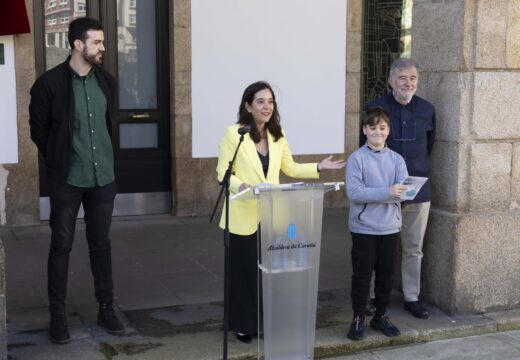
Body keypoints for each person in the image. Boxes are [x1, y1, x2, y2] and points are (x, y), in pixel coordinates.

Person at [216, 81, 345, 344]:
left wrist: (318, 167)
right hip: (242, 215)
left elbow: (291, 168)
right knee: (243, 274)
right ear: (248, 106)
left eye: (271, 101)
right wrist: (242, 185)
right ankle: (243, 324)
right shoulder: (234, 134)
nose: (267, 106)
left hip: (272, 214)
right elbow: (222, 173)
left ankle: (267, 322)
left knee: (270, 272)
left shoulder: (278, 135)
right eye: (261, 101)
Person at [29, 17, 124, 344]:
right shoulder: (49, 84)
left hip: (103, 179)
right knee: (62, 245)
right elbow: (38, 131)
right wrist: (57, 161)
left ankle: (106, 308)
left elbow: (110, 123)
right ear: (77, 44)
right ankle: (57, 316)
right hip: (68, 180)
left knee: (102, 244)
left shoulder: (107, 81)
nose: (103, 47)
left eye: (102, 41)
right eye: (97, 42)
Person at [364, 58, 436, 319]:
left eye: (413, 78)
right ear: (392, 80)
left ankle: (411, 297)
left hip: (418, 190)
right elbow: (366, 146)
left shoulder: (427, 109)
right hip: (384, 192)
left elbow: (429, 146)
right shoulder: (376, 107)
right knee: (378, 247)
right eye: (403, 78)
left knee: (413, 247)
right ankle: (373, 296)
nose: (408, 83)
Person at [346, 107, 408, 340]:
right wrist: (388, 192)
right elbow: (355, 193)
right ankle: (358, 317)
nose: (377, 132)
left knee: (386, 277)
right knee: (362, 276)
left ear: (388, 131)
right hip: (364, 228)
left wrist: (401, 192)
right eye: (372, 127)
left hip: (390, 227)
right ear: (364, 130)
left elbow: (402, 191)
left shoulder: (397, 160)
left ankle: (380, 316)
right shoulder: (357, 158)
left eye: (382, 128)